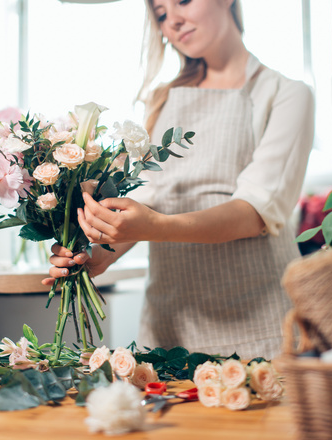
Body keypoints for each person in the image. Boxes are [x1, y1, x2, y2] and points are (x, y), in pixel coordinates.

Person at [42, 0, 314, 359]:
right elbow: (150, 202)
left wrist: (153, 224)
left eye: (182, 1)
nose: (173, 21)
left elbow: (254, 213)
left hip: (260, 328)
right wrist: (100, 255)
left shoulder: (286, 94)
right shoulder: (162, 99)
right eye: (160, 13)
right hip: (169, 331)